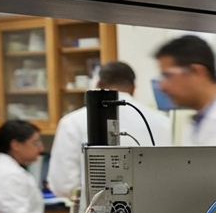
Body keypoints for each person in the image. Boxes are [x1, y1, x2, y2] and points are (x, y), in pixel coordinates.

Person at [47, 61, 172, 200]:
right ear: (133, 88)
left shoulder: (72, 122)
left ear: (98, 84)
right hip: (151, 209)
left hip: (95, 212)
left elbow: (63, 183)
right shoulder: (163, 122)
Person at [0, 120, 51, 213]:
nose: (41, 148)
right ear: (15, 145)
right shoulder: (7, 173)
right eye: (36, 142)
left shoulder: (10, 168)